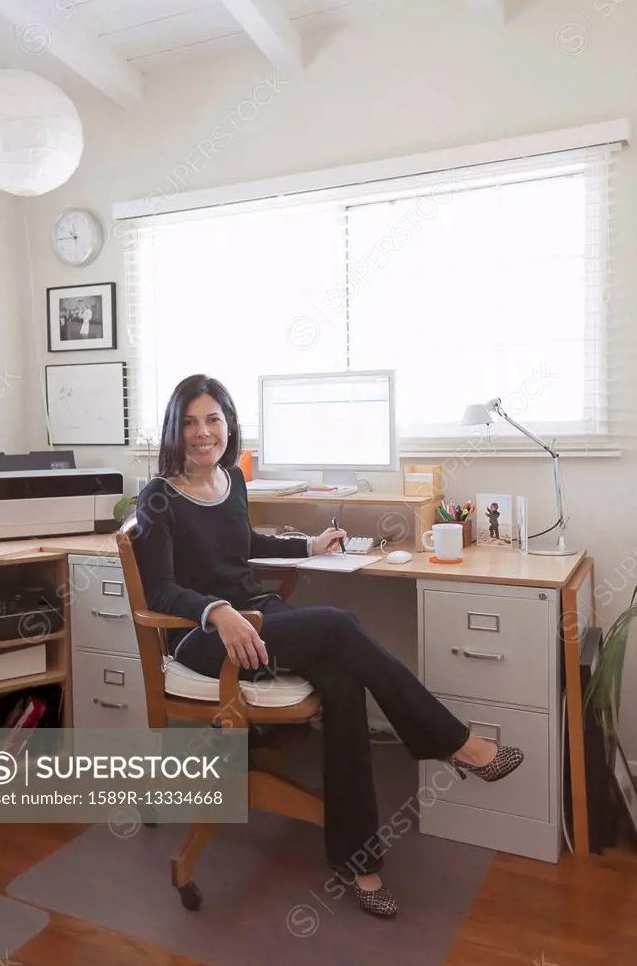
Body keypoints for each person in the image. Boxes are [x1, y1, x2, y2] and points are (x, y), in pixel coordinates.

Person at [132, 375, 524, 919]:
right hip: (203, 637)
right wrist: (218, 612)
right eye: (192, 422)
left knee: (343, 682)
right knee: (340, 625)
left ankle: (356, 858)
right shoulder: (158, 497)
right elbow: (159, 588)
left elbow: (243, 544)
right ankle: (453, 741)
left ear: (229, 423)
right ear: (176, 428)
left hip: (256, 618)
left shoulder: (231, 481)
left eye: (214, 419)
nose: (204, 433)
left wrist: (306, 544)